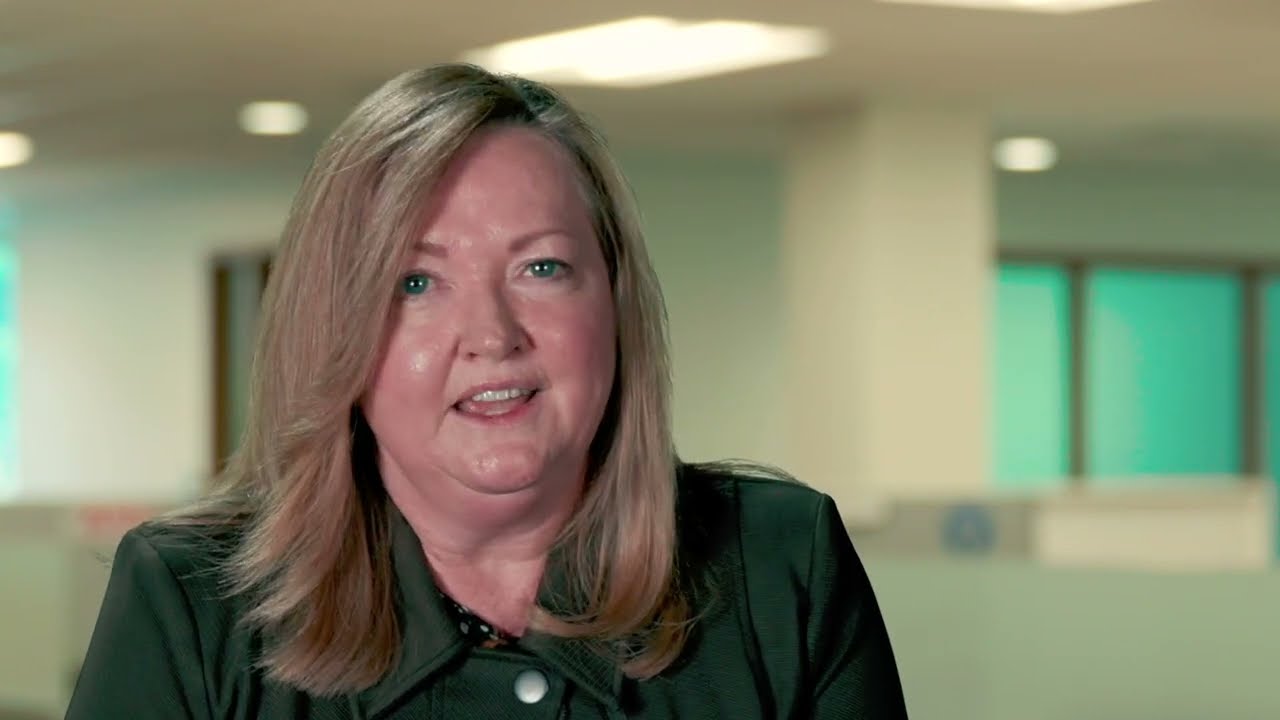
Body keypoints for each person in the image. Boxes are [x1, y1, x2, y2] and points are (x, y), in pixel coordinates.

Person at [66, 63, 908, 719]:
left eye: (541, 268)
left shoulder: (778, 569)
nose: (493, 335)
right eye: (416, 283)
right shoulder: (192, 606)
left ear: (613, 302)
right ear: (336, 330)